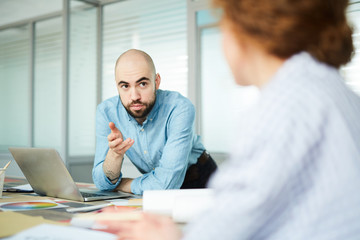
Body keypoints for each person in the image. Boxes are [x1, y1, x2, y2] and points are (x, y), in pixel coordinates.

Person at [97, 0, 360, 239]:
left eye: (223, 27)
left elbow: (224, 230)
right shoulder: (330, 90)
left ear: (248, 34)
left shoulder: (285, 105)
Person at [92, 49, 217, 195]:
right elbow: (101, 183)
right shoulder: (106, 112)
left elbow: (166, 184)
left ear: (156, 82)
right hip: (155, 185)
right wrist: (114, 155)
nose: (134, 96)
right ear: (117, 86)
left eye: (142, 84)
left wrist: (123, 184)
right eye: (125, 86)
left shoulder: (179, 108)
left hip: (200, 178)